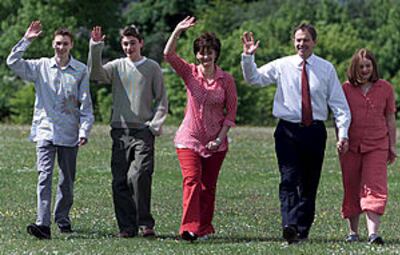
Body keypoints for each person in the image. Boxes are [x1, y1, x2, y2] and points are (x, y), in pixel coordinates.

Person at [241, 23, 351, 244]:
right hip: (287, 132)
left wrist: (343, 134)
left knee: (309, 184)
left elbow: (340, 105)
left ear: (314, 42)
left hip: (315, 132)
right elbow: (254, 79)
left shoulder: (326, 69)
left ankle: (302, 229)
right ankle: (289, 225)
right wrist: (248, 58)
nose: (302, 44)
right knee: (289, 179)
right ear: (294, 42)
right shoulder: (283, 65)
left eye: (306, 40)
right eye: (298, 40)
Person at [6, 21, 94, 239]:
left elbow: (86, 105)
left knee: (66, 181)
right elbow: (12, 62)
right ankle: (42, 224)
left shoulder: (81, 70)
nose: (60, 47)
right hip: (45, 130)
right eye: (57, 43)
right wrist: (26, 40)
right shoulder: (40, 67)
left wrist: (84, 131)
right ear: (52, 44)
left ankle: (62, 219)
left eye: (64, 44)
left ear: (71, 45)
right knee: (44, 177)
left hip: (70, 133)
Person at [88, 25, 168, 238]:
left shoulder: (152, 68)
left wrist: (155, 124)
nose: (128, 47)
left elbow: (162, 99)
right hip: (120, 131)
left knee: (140, 174)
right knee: (120, 180)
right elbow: (95, 73)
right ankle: (127, 227)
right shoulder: (116, 66)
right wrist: (95, 46)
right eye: (125, 43)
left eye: (132, 43)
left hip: (143, 131)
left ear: (140, 43)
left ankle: (145, 223)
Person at [163, 16, 237, 241]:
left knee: (208, 187)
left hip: (216, 141)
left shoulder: (226, 80)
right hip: (189, 138)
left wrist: (220, 139)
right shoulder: (189, 73)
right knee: (192, 180)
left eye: (209, 52)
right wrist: (177, 30)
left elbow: (231, 112)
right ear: (196, 54)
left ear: (216, 54)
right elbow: (168, 55)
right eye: (201, 52)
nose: (205, 56)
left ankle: (204, 228)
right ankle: (188, 228)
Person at [339, 48, 396, 245]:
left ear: (374, 67)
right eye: (361, 66)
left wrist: (392, 145)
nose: (365, 70)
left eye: (368, 66)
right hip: (350, 146)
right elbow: (340, 117)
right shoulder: (345, 89)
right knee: (352, 186)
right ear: (354, 67)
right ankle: (353, 233)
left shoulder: (385, 88)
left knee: (375, 185)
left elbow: (390, 117)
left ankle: (373, 234)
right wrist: (341, 138)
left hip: (378, 144)